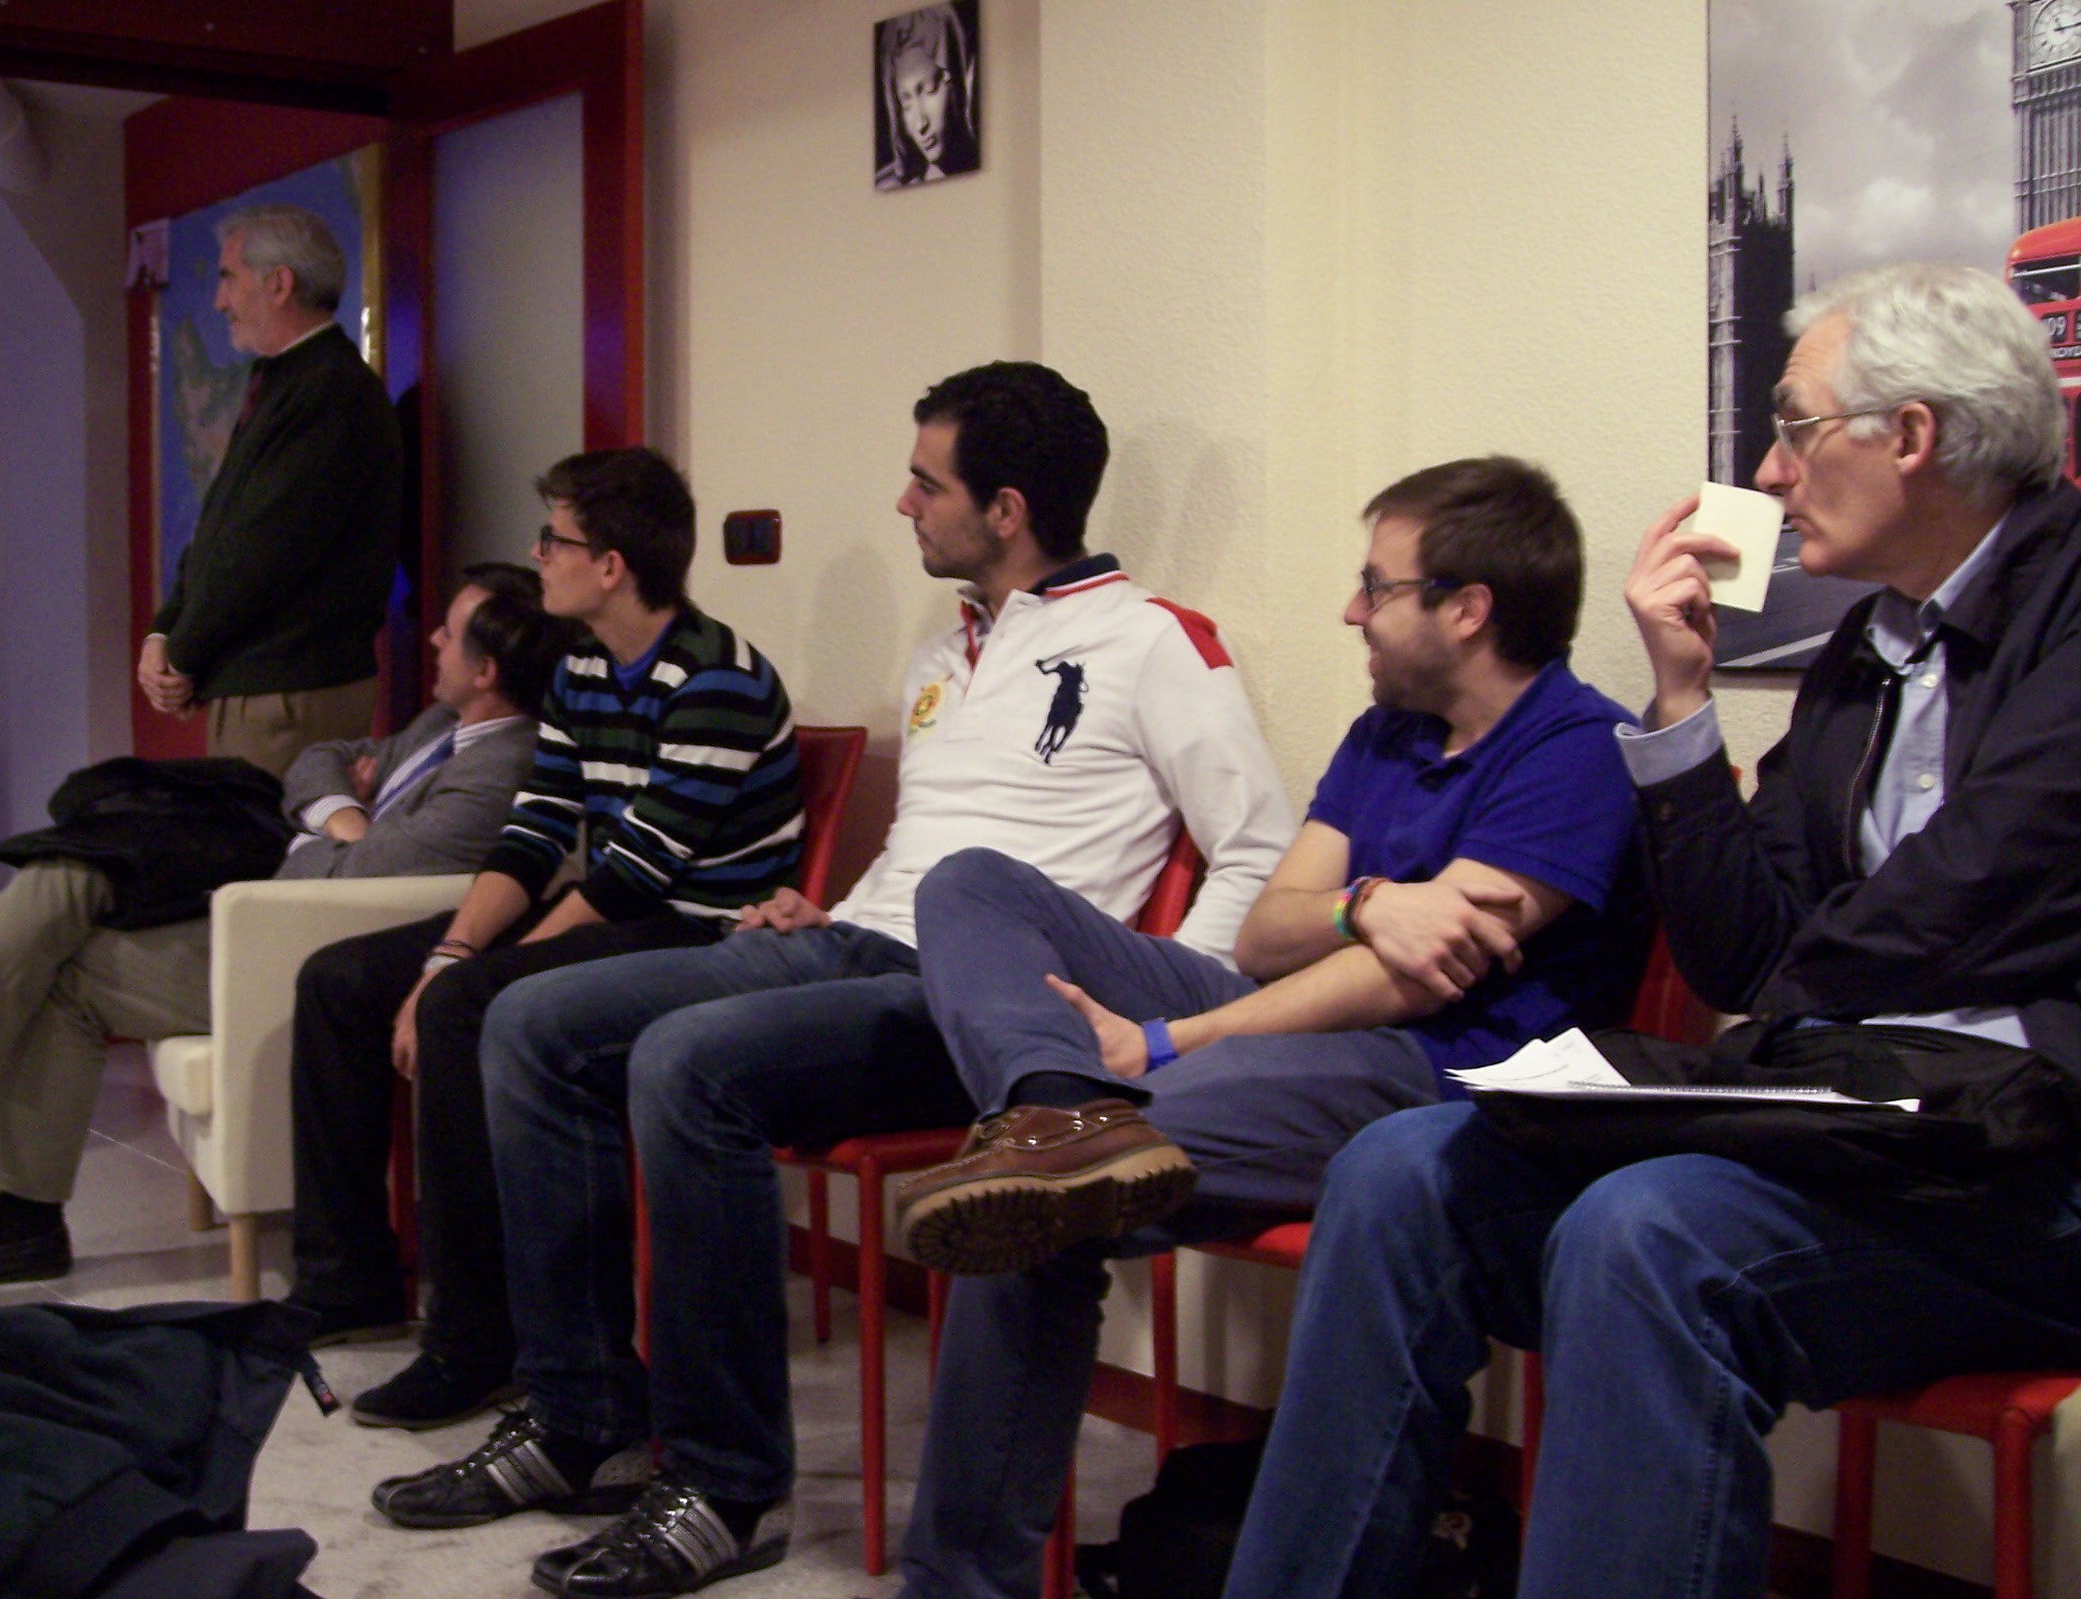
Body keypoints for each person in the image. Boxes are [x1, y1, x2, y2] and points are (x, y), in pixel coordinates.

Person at [1219, 262, 2081, 1599]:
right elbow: (1738, 952)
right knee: (1396, 1173)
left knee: (1650, 1232)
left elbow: (1979, 886)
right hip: (1846, 1118)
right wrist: (1681, 696)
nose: (1769, 472)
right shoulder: (1864, 654)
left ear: (1909, 436)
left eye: (1794, 427)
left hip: (2024, 1166)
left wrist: (1792, 977)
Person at [368, 362, 1298, 1598]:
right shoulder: (944, 649)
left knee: (688, 1065)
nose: (903, 503)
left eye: (927, 483)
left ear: (1007, 509)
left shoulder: (1152, 643)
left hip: (980, 1000)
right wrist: (832, 908)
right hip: (853, 942)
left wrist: (1156, 1016)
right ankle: (579, 1412)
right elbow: (922, 855)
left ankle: (723, 1485)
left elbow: (1259, 850)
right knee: (527, 1017)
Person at [887, 455, 1652, 1599]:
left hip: (1428, 1073)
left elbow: (1405, 989)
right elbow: (1268, 932)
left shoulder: (1580, 750)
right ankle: (1051, 1103)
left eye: (1376, 586)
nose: (1351, 609)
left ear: (1468, 609)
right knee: (971, 885)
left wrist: (1169, 1044)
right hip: (1291, 1023)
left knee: (1038, 1200)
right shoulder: (1388, 731)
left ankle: (959, 1580)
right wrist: (1368, 903)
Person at [0, 564, 560, 1289]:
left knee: (63, 974)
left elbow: (367, 875)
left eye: (450, 632)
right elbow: (320, 758)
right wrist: (345, 813)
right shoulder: (441, 724)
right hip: (265, 907)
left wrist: (335, 830)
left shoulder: (501, 767)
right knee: (75, 869)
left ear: (487, 671)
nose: (431, 638)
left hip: (298, 945)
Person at [283, 446, 805, 1433]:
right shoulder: (582, 666)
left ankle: (474, 1340)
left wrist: (465, 977)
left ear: (610, 565)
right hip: (619, 907)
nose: (538, 556)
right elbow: (535, 832)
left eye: (553, 540)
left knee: (464, 1009)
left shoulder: (718, 679)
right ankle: (347, 1277)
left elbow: (636, 874)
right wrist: (448, 952)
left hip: (701, 931)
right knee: (341, 980)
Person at [139, 203, 400, 776]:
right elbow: (221, 528)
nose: (219, 300)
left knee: (266, 838)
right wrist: (165, 630)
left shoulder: (329, 390)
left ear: (279, 284)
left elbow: (264, 550)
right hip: (271, 690)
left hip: (288, 695)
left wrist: (180, 654)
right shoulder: (293, 379)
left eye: (229, 278)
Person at [875, 0, 979, 189]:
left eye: (930, 90)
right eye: (906, 104)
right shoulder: (889, 187)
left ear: (956, 82)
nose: (920, 124)